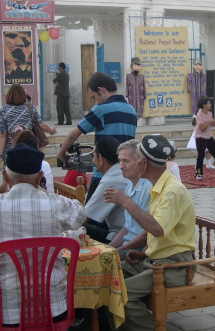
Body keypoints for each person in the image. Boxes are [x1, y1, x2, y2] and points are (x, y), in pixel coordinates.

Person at [0, 143, 86, 326]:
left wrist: (1, 190)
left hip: (7, 313)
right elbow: (80, 215)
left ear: (5, 176)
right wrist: (42, 191)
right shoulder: (57, 204)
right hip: (54, 309)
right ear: (40, 177)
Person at [102, 134, 196, 331]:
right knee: (106, 276)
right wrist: (143, 252)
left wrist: (126, 202)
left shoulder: (171, 191)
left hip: (175, 265)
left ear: (143, 162)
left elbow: (157, 228)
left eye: (134, 158)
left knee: (122, 295)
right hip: (155, 259)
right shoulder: (159, 186)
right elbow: (159, 232)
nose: (128, 164)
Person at [57, 72, 137, 202]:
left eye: (94, 97)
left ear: (101, 90)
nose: (95, 101)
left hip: (103, 174)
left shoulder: (101, 109)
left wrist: (61, 153)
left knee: (90, 216)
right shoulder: (130, 109)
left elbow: (74, 133)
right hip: (126, 173)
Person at [108, 139, 151, 260]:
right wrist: (109, 248)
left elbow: (148, 234)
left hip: (138, 250)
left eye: (125, 161)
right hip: (128, 245)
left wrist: (118, 251)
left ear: (140, 162)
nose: (121, 166)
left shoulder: (148, 188)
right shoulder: (129, 186)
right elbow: (128, 227)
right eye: (120, 161)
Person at [83, 136, 130, 244]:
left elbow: (83, 218)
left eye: (94, 156)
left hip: (120, 237)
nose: (93, 160)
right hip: (128, 232)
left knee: (78, 228)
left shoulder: (111, 181)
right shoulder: (121, 172)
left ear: (101, 159)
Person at [0, 84, 57, 164]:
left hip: (11, 150)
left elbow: (3, 135)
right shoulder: (30, 108)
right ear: (23, 95)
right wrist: (51, 131)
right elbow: (40, 124)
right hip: (29, 147)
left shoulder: (3, 111)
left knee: (11, 172)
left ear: (9, 95)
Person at [193, 96, 215, 179]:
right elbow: (202, 128)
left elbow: (210, 125)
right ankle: (198, 174)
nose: (210, 105)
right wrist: (209, 121)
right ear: (204, 105)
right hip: (200, 137)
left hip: (208, 136)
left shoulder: (210, 114)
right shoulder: (199, 115)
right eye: (209, 103)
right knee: (201, 155)